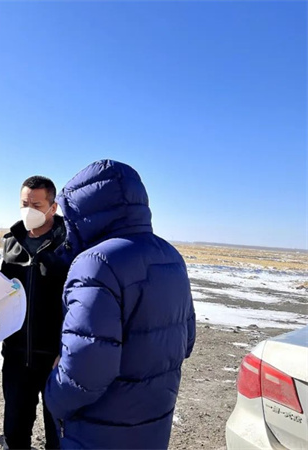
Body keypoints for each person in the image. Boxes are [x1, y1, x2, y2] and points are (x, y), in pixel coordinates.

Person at [44, 159, 196, 449]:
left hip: (100, 427)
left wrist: (54, 395)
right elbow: (186, 341)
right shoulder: (170, 256)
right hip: (154, 420)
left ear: (86, 211)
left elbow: (86, 369)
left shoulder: (96, 263)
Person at [0, 176, 68, 450]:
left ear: (53, 207)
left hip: (55, 360)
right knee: (14, 433)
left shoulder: (70, 245)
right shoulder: (10, 242)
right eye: (24, 204)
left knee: (59, 436)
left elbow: (80, 303)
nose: (28, 210)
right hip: (16, 356)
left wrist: (67, 349)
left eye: (36, 205)